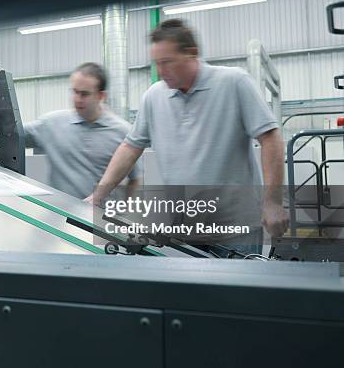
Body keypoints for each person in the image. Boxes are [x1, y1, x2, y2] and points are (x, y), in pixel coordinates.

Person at [86, 19, 289, 255]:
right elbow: (130, 147)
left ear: (191, 54)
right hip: (182, 231)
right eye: (156, 63)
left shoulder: (234, 82)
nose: (160, 72)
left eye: (167, 62)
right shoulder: (154, 96)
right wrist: (98, 196)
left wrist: (272, 202)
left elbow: (270, 138)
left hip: (235, 231)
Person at [24, 62, 142, 200]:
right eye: (75, 92)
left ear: (101, 96)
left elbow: (135, 179)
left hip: (100, 219)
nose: (77, 99)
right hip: (61, 217)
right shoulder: (51, 124)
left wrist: (124, 210)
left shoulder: (122, 132)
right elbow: (11, 133)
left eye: (84, 94)